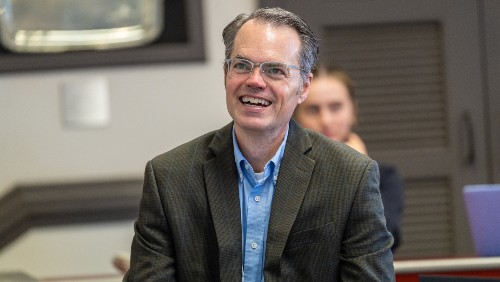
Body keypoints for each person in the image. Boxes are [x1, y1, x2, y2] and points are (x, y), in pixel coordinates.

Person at [124, 7, 394, 281]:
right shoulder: (169, 177)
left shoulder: (350, 176)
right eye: (241, 65)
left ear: (303, 86)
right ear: (226, 74)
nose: (254, 81)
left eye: (275, 70)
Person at [294, 65, 404, 251]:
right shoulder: (282, 174)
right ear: (295, 115)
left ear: (353, 111)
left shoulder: (385, 177)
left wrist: (358, 173)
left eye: (335, 107)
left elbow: (379, 238)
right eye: (313, 110)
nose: (326, 121)